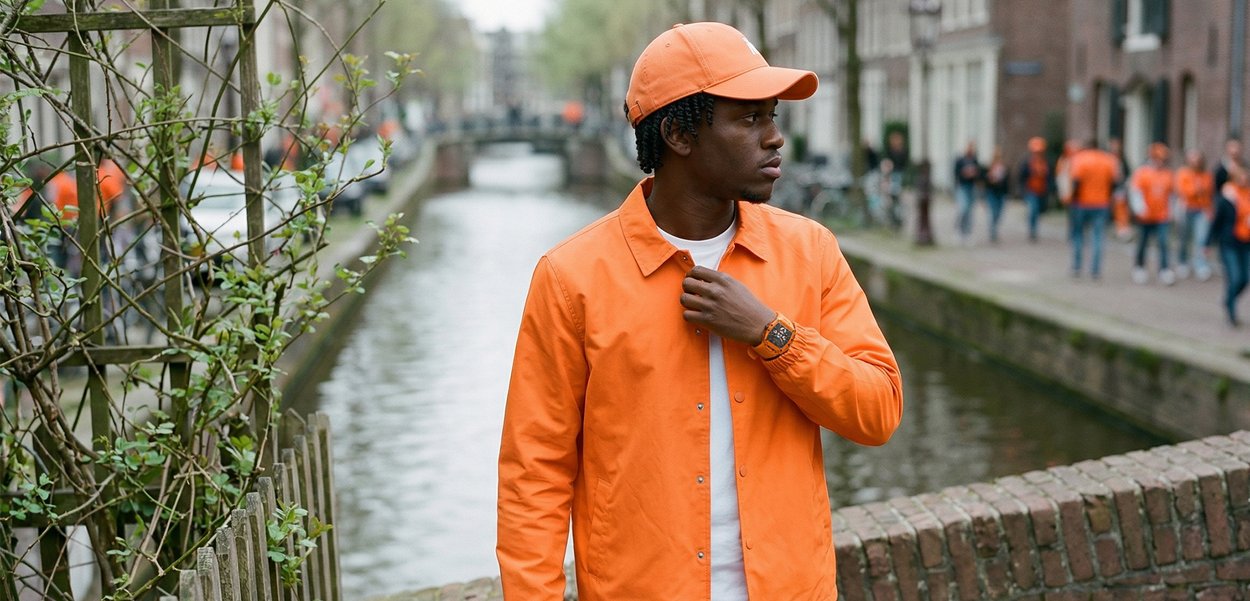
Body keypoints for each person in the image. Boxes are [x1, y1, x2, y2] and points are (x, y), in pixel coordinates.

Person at [497, 21, 903, 600]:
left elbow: (879, 412)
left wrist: (773, 335)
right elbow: (533, 476)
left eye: (773, 117)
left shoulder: (809, 252)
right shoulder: (572, 278)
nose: (774, 138)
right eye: (749, 118)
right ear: (679, 136)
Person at [1067, 139, 1120, 279]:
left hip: (1081, 203)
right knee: (1098, 236)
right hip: (1101, 204)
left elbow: (1076, 182)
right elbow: (1114, 183)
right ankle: (1095, 270)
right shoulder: (1109, 160)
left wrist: (1072, 199)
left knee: (1078, 235)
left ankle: (1077, 267)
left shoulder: (1079, 159)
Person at [1207, 165, 1250, 326]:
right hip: (1230, 242)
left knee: (1245, 278)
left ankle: (1228, 299)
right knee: (1235, 277)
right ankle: (1231, 312)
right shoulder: (1228, 197)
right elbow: (1217, 222)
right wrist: (1208, 242)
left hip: (1246, 243)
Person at [1128, 142, 1176, 285]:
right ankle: (1139, 267)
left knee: (1163, 242)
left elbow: (1171, 195)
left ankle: (1164, 269)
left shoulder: (1168, 174)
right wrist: (1140, 208)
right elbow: (1136, 192)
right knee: (1143, 242)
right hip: (1145, 216)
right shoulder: (1142, 172)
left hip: (1162, 215)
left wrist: (1172, 211)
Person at [1175, 149, 1215, 281]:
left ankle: (1201, 264)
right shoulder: (1183, 173)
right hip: (1186, 209)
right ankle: (1183, 261)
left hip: (1202, 210)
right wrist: (1196, 189)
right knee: (1184, 238)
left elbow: (1208, 191)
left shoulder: (1206, 174)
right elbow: (1183, 191)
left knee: (1201, 238)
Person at [1017, 136, 1052, 242]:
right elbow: (1021, 176)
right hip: (1030, 190)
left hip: (1041, 190)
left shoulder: (1046, 162)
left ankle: (1034, 228)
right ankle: (1032, 230)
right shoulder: (1027, 162)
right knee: (1033, 209)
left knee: (1037, 211)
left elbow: (1050, 177)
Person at [953, 141, 983, 245]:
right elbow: (956, 173)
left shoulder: (975, 160)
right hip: (962, 187)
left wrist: (974, 174)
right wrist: (964, 174)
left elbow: (979, 174)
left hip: (972, 188)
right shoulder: (960, 160)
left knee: (970, 212)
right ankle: (959, 231)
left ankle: (968, 233)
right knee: (963, 209)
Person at [1108, 137, 1134, 241]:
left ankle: (1123, 229)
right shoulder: (1108, 158)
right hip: (1109, 189)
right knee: (1115, 209)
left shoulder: (1122, 159)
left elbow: (1127, 172)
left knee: (1121, 208)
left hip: (1120, 188)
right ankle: (1118, 228)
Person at [983, 146, 1009, 243]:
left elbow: (1007, 181)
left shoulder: (1003, 167)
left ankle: (994, 228)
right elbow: (985, 181)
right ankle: (993, 232)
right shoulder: (989, 167)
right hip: (992, 192)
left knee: (999, 213)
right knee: (993, 212)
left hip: (1001, 193)